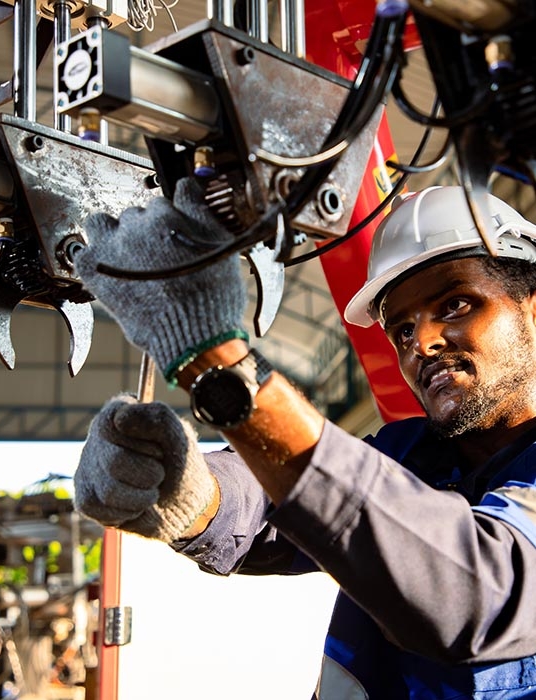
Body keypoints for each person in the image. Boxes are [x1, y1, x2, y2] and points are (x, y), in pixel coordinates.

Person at [72, 179, 536, 699]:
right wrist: (186, 485)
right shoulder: (410, 454)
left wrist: (220, 362)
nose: (421, 344)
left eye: (455, 305)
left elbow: (478, 591)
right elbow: (283, 505)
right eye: (402, 330)